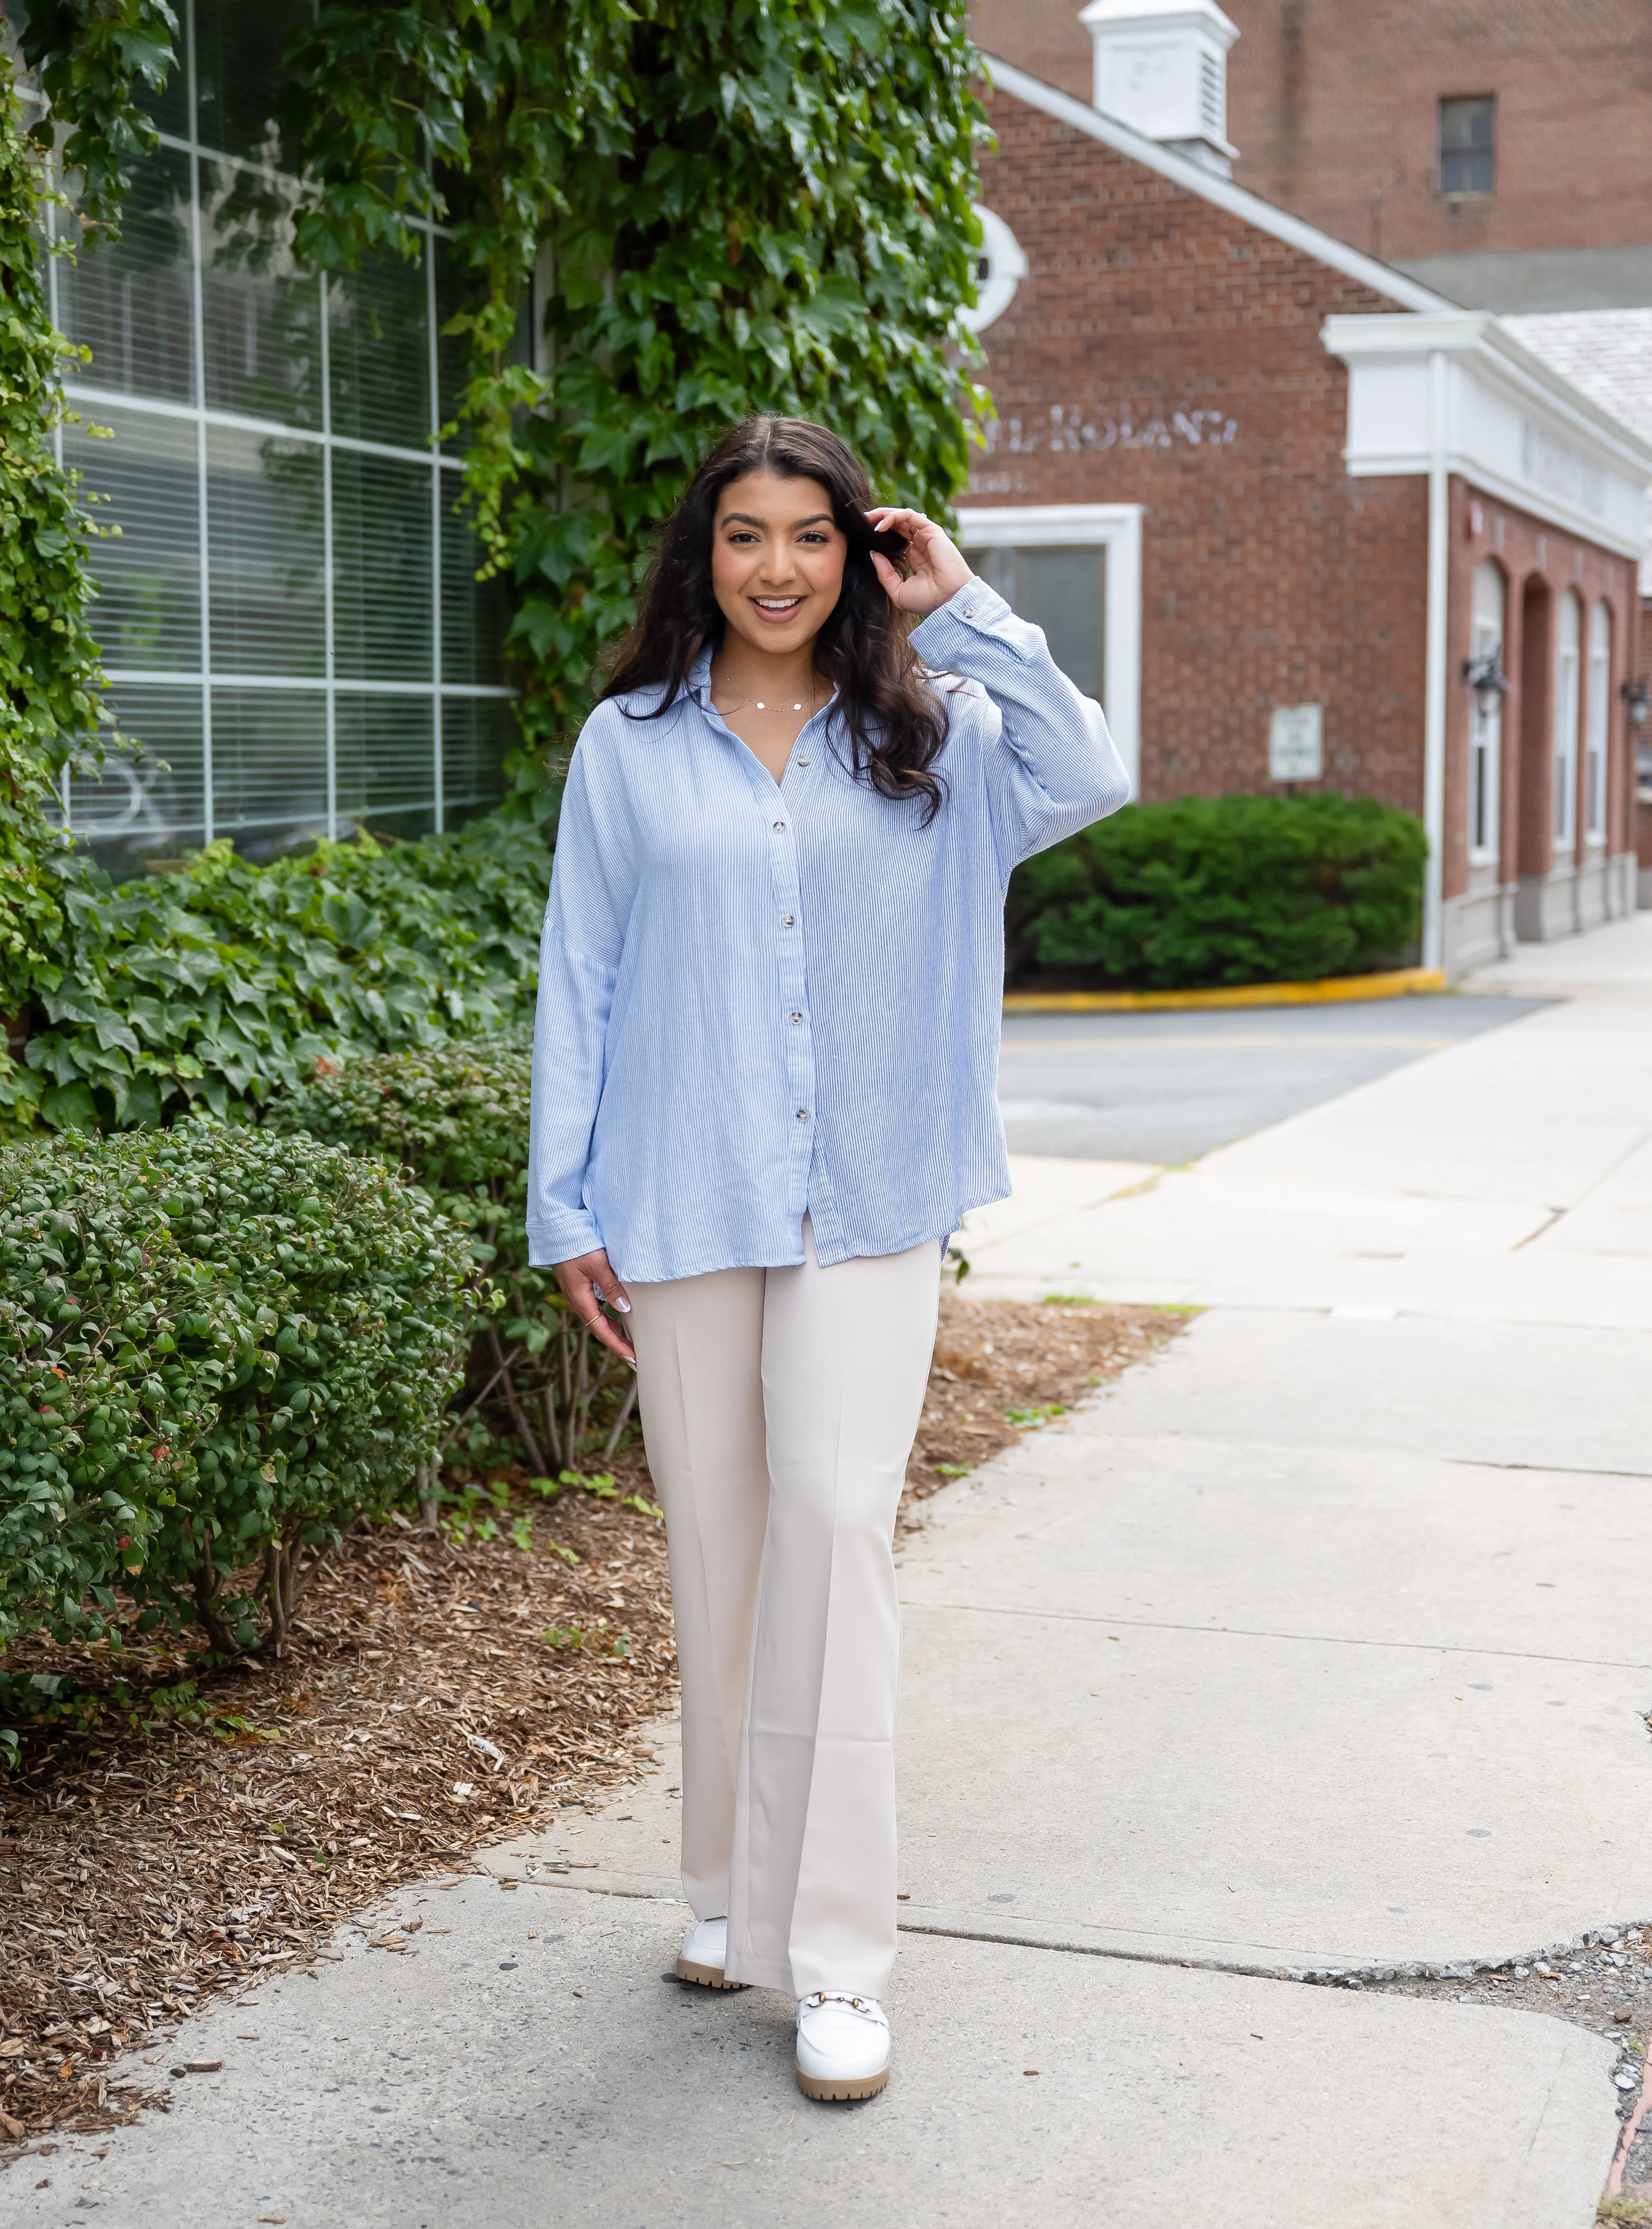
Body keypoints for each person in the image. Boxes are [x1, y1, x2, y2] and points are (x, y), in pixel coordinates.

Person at [526, 415, 1129, 2101]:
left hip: (871, 1192)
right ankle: (726, 1893)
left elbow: (1092, 775)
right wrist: (562, 1205)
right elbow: (582, 971)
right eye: (742, 535)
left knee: (840, 1533)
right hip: (681, 1185)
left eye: (809, 533)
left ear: (856, 549)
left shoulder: (932, 731)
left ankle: (839, 1954)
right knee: (715, 1546)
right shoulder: (629, 745)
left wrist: (966, 610)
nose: (775, 567)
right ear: (697, 554)